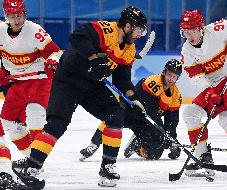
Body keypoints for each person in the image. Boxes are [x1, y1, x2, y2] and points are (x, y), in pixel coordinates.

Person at [11, 5, 148, 188]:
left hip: (92, 85)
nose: (140, 33)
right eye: (139, 28)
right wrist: (94, 58)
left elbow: (122, 80)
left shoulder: (129, 50)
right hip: (68, 80)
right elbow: (77, 37)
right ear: (128, 26)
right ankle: (31, 167)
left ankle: (107, 168)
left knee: (115, 114)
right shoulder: (107, 30)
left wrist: (134, 99)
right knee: (57, 125)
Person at [180, 10, 227, 179]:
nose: (188, 35)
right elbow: (196, 77)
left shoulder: (216, 30)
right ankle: (202, 157)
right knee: (190, 113)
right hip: (215, 84)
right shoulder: (187, 51)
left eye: (191, 30)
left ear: (201, 28)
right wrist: (208, 92)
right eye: (185, 31)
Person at [0, 0, 62, 189]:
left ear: (24, 14)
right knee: (8, 122)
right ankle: (31, 159)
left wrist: (52, 61)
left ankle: (34, 161)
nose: (16, 20)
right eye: (12, 16)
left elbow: (56, 52)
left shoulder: (35, 30)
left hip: (39, 79)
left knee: (35, 115)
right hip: (16, 82)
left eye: (19, 15)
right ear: (6, 16)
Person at [79, 59, 183, 161]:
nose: (171, 79)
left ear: (178, 78)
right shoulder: (153, 82)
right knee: (114, 115)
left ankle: (137, 144)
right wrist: (165, 136)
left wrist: (172, 140)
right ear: (164, 72)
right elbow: (149, 110)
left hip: (145, 122)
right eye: (169, 74)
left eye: (174, 77)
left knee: (155, 154)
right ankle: (94, 144)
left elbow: (172, 122)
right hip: (132, 113)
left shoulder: (175, 96)